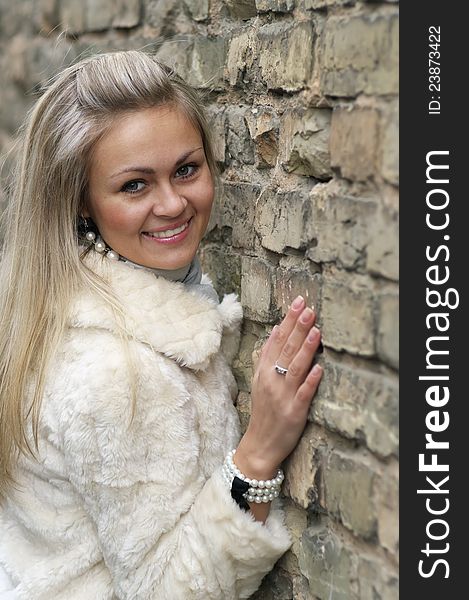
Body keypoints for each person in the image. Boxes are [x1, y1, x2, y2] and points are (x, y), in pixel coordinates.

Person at [0, 50, 323, 599]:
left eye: (186, 170)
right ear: (82, 203)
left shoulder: (50, 307)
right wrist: (259, 454)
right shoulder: (113, 373)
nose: (173, 203)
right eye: (134, 186)